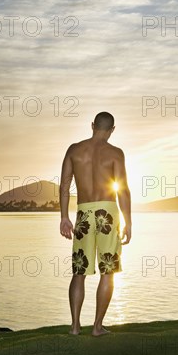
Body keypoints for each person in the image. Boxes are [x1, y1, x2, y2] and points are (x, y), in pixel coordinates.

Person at [59, 111, 132, 336]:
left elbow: (63, 187)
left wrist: (64, 217)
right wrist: (128, 222)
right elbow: (123, 190)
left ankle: (74, 326)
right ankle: (97, 327)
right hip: (107, 213)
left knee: (79, 272)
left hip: (83, 213)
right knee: (107, 272)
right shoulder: (115, 153)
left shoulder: (74, 150)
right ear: (112, 129)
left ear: (92, 125)